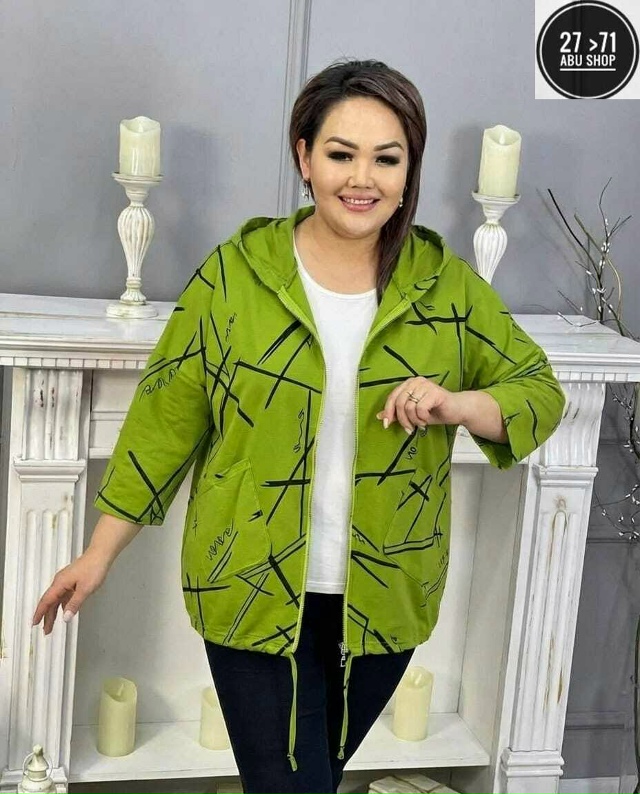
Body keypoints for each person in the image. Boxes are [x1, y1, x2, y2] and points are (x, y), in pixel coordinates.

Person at [32, 59, 566, 794]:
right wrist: (97, 555)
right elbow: (164, 424)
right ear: (305, 156)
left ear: (409, 170)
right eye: (342, 154)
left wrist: (459, 404)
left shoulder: (448, 288)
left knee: (310, 780)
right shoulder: (234, 278)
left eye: (387, 159)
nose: (363, 179)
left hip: (386, 599)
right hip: (247, 586)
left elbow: (538, 393)